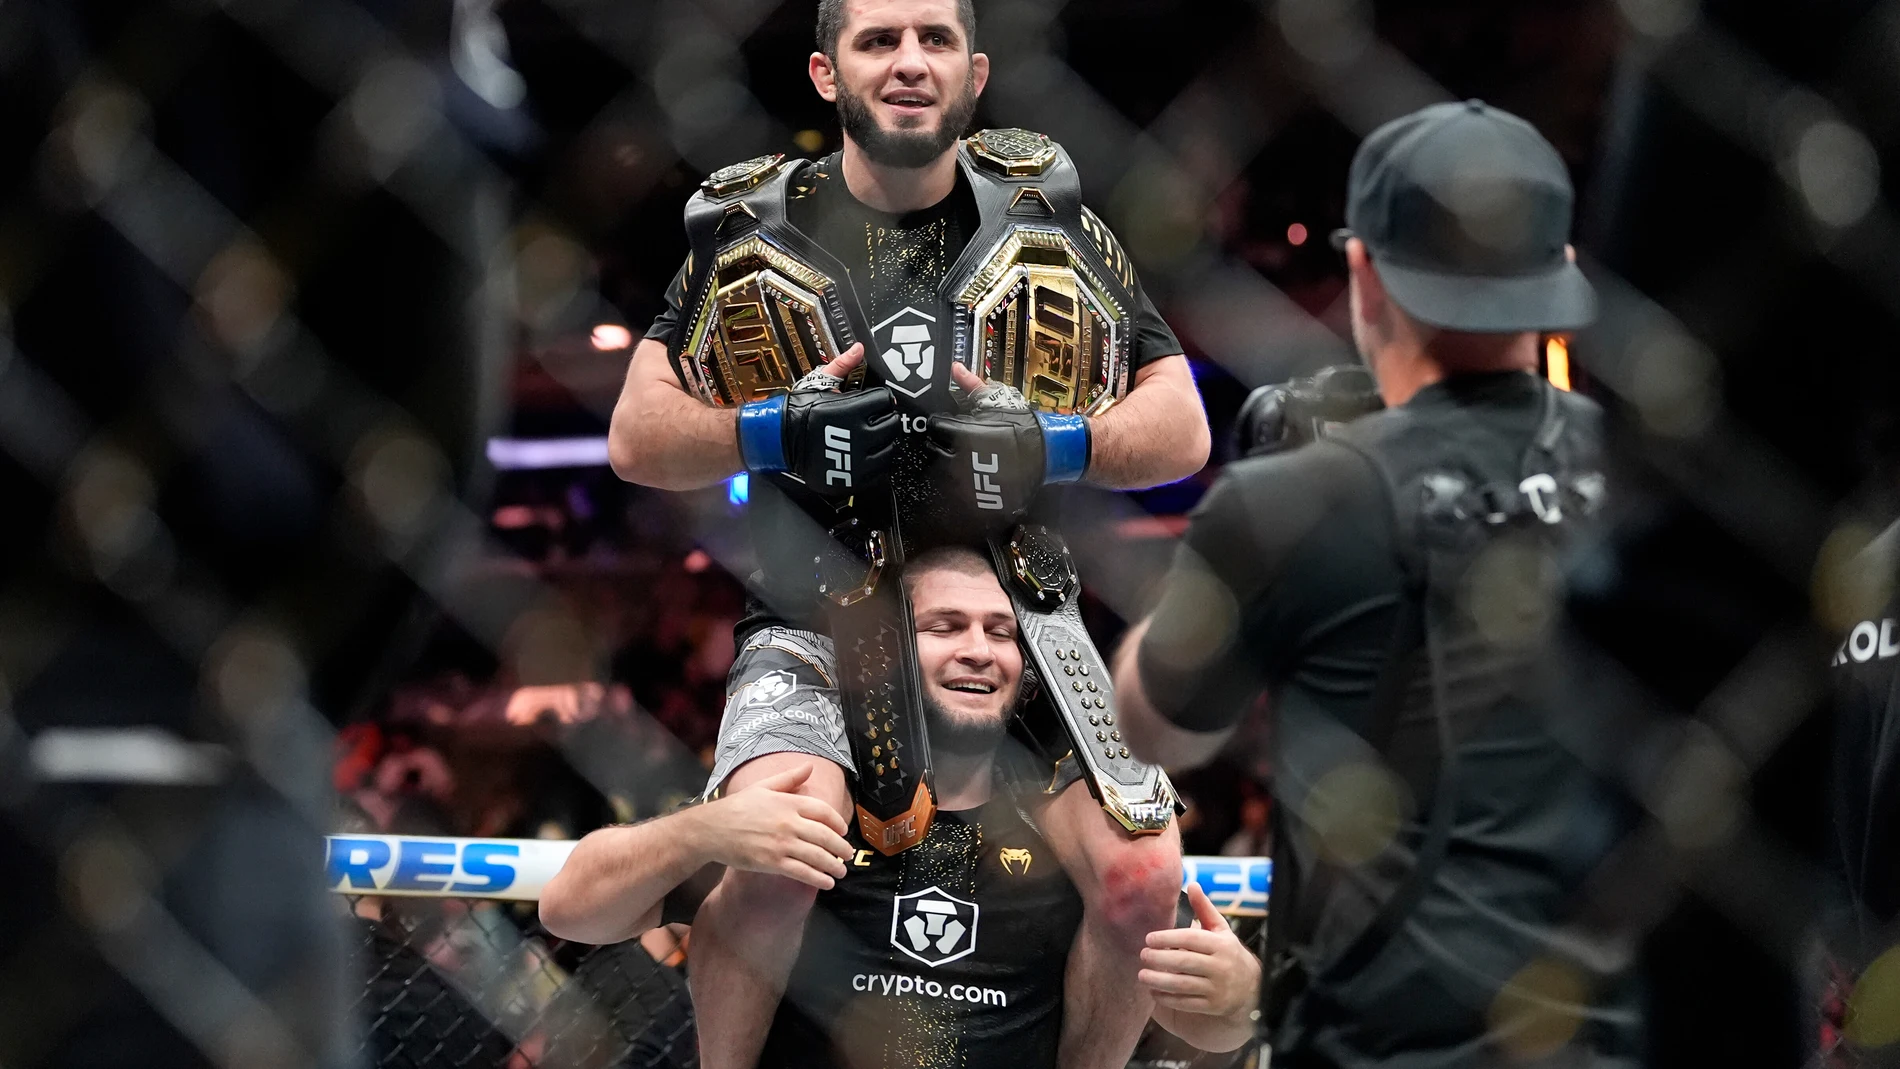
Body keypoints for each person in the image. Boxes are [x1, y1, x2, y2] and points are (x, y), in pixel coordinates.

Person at [607, 1, 1201, 1065]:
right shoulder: (750, 229)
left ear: (975, 74)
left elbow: (1180, 428)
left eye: (932, 40)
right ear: (826, 74)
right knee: (781, 850)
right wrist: (771, 422)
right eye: (878, 41)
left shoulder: (1051, 220)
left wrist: (1049, 444)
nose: (908, 63)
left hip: (1014, 615)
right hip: (814, 611)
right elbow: (637, 438)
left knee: (1143, 877)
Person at [1113, 100, 1643, 1067]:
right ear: (1563, 278)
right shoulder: (1650, 494)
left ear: (1363, 275)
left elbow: (1152, 726)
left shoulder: (1296, 500)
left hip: (1384, 1043)